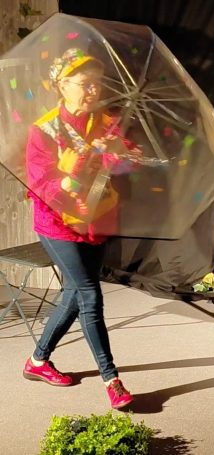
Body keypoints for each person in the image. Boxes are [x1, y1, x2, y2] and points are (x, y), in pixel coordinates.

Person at [23, 48, 138, 409]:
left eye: (97, 83)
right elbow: (41, 187)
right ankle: (112, 379)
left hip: (96, 218)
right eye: (85, 83)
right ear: (62, 85)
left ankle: (37, 361)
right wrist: (71, 172)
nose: (93, 90)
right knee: (89, 295)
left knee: (74, 293)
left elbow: (130, 165)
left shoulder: (106, 120)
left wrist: (118, 153)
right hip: (57, 223)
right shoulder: (44, 130)